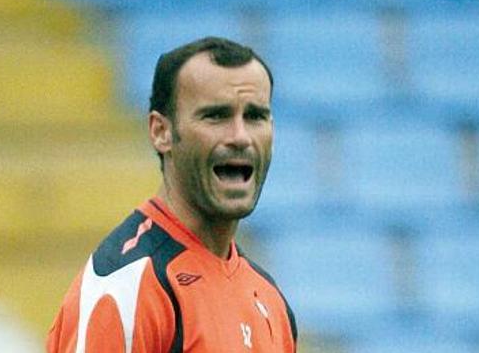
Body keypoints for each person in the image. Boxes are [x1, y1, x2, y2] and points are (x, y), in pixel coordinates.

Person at [47, 37, 297, 352]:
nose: (240, 136)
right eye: (216, 116)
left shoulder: (268, 299)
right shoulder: (130, 284)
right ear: (161, 132)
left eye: (255, 116)